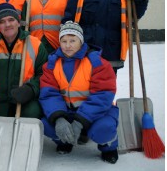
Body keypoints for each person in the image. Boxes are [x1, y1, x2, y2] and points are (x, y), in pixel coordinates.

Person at [39, 21, 119, 163]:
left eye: (72, 40)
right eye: (64, 41)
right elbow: (49, 94)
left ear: (81, 41)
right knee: (45, 125)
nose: (68, 45)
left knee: (104, 129)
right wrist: (59, 118)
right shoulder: (51, 64)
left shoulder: (96, 62)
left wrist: (81, 120)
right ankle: (65, 141)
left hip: (96, 113)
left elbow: (103, 95)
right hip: (67, 112)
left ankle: (109, 147)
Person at [0, 3, 48, 143]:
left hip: (24, 102)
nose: (7, 24)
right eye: (2, 22)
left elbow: (44, 75)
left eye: (11, 20)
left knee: (32, 113)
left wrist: (30, 89)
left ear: (18, 22)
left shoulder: (34, 44)